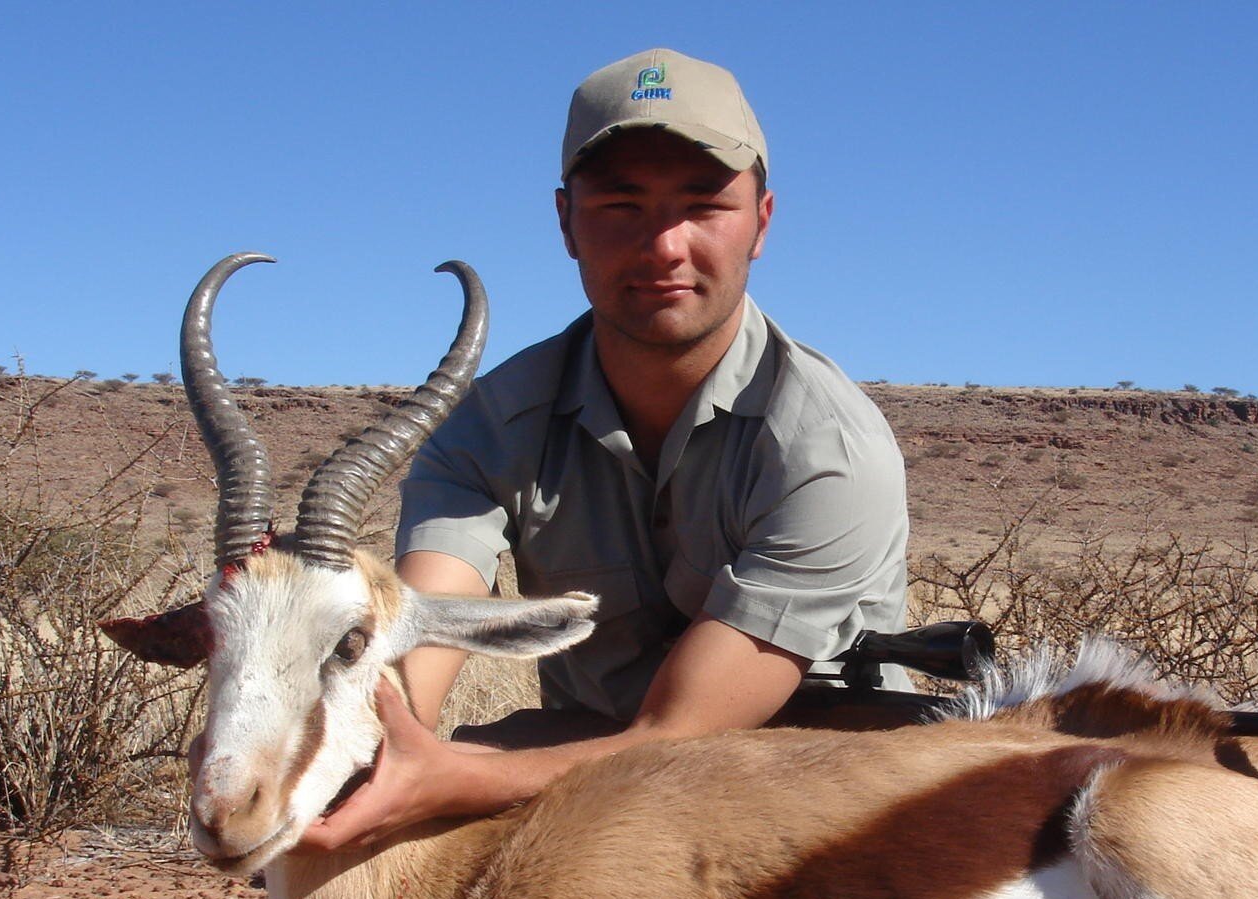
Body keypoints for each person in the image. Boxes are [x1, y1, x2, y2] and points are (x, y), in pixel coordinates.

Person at [297, 48, 909, 852]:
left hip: (801, 780)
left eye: (705, 205)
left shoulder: (829, 445)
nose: (663, 247)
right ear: (565, 224)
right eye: (621, 205)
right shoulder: (492, 424)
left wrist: (450, 778)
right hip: (590, 760)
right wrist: (354, 731)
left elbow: (680, 735)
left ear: (760, 223)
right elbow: (423, 645)